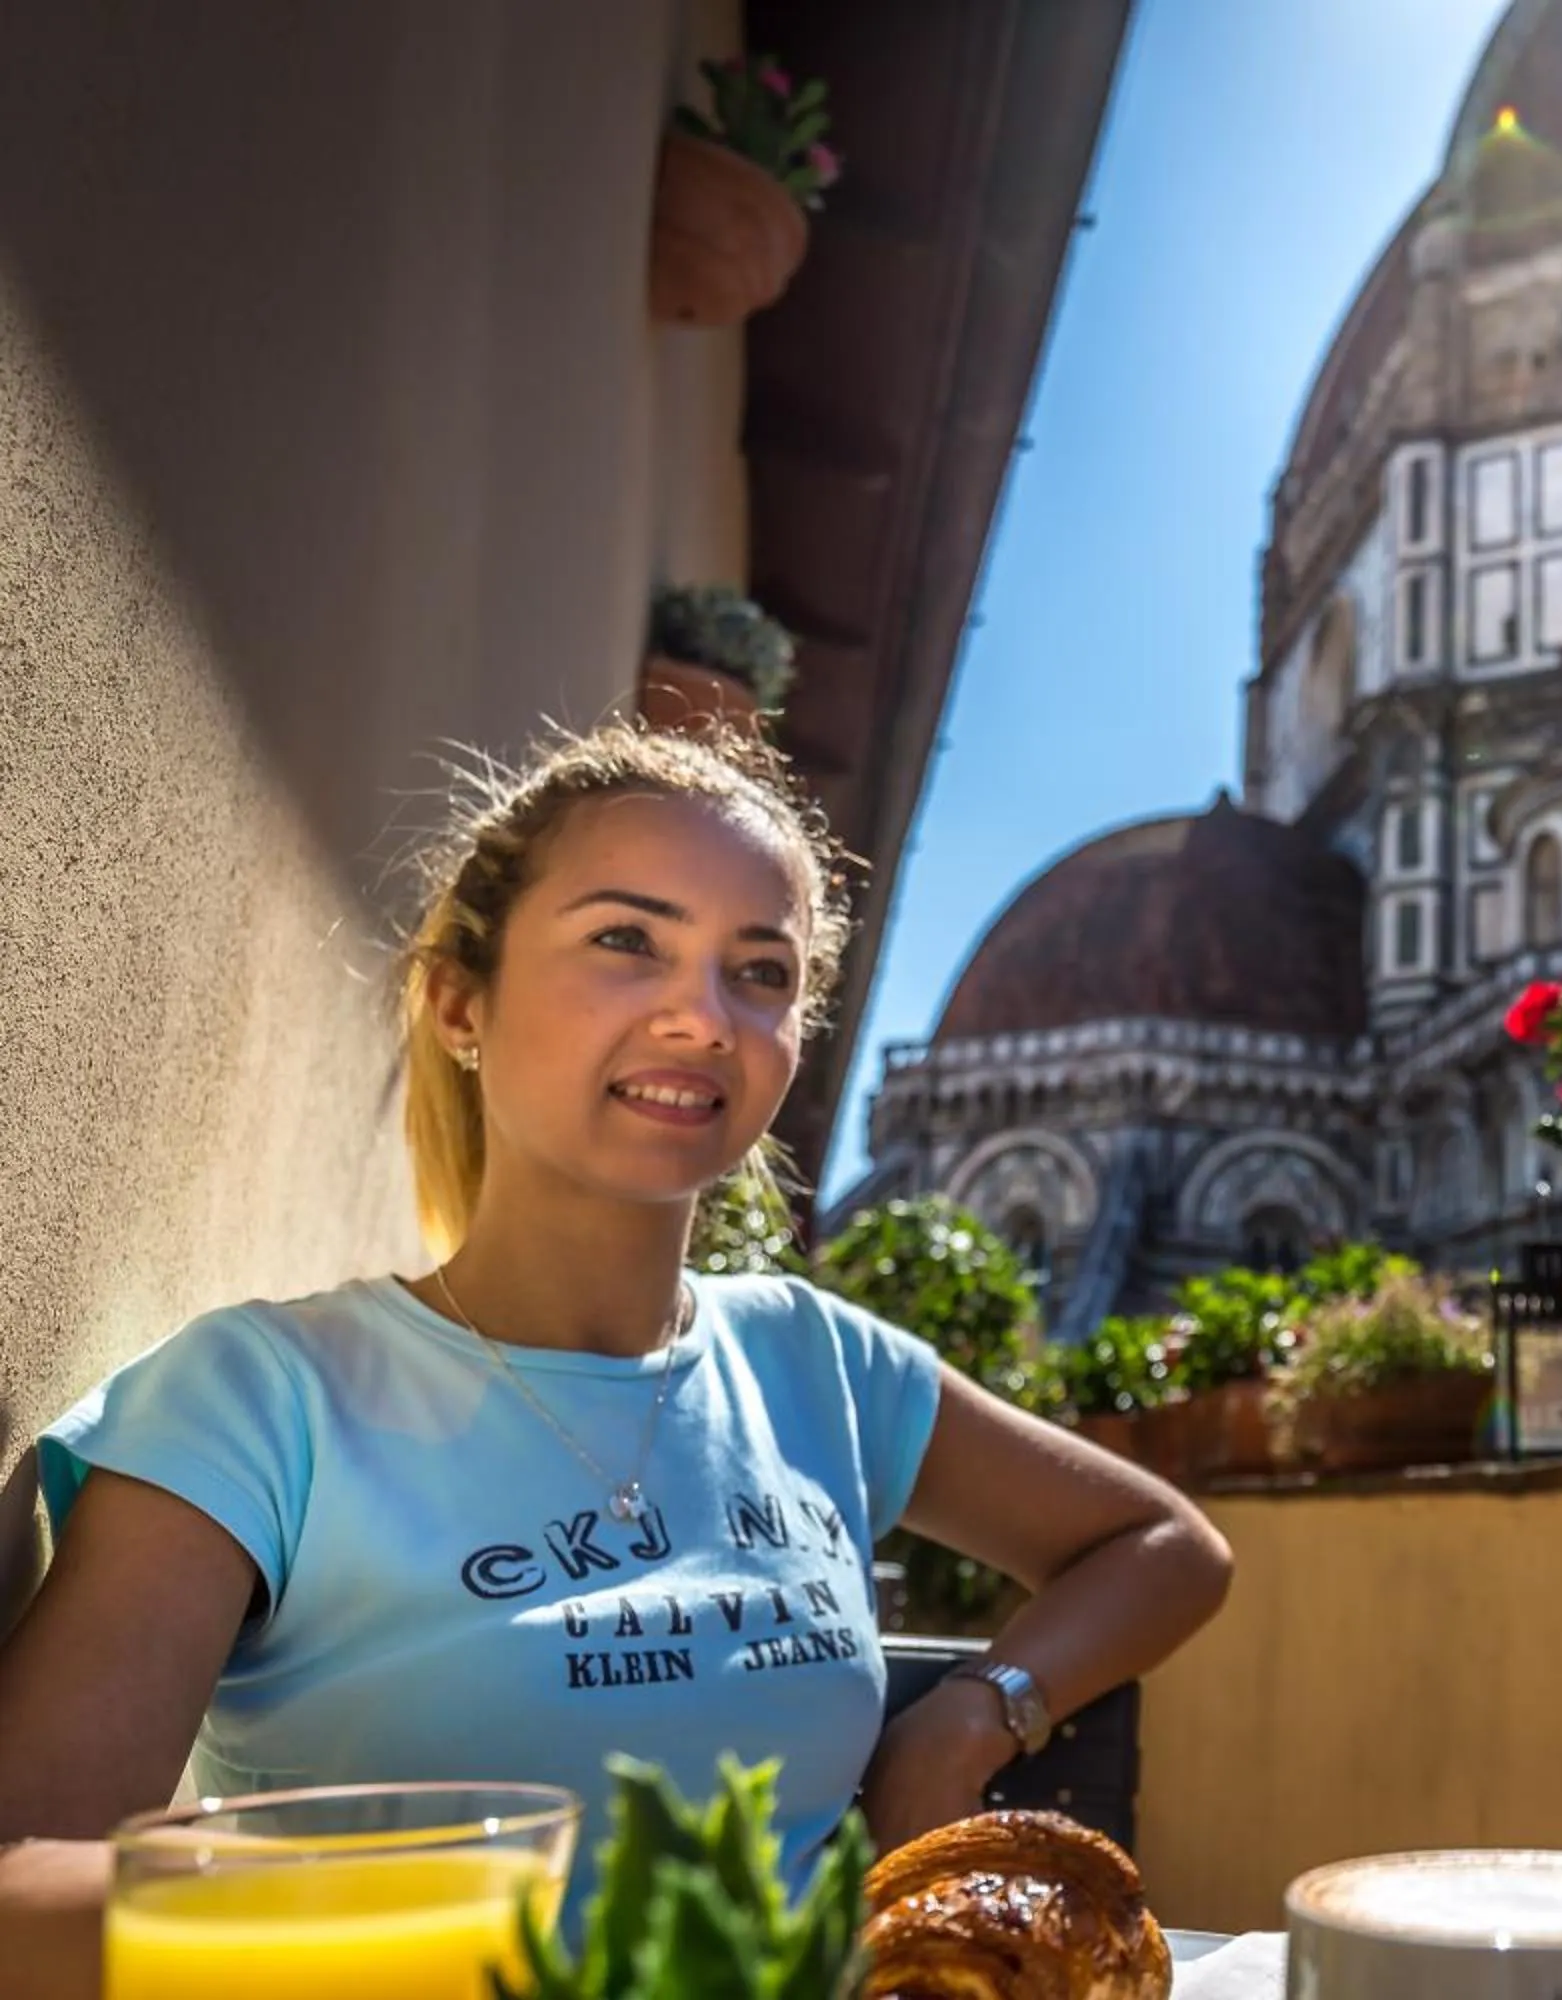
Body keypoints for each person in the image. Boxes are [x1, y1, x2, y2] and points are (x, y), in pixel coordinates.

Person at [0, 722, 1232, 1994]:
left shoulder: (812, 1356)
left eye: (759, 970)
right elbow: (22, 1878)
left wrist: (971, 1716)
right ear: (459, 1000)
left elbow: (1166, 1546)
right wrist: (445, 1910)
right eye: (626, 940)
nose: (701, 1016)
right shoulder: (258, 1397)